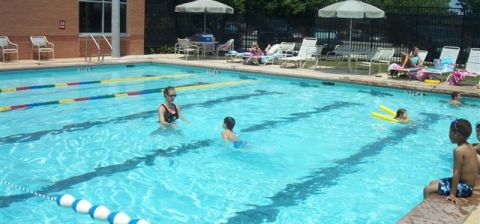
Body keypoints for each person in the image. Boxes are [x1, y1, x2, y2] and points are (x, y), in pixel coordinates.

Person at [423, 119, 478, 204]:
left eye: (450, 132)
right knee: (433, 182)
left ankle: (425, 212)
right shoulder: (469, 146)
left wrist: (453, 194)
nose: (449, 134)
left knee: (427, 189)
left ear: (457, 134)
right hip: (467, 184)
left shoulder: (458, 150)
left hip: (465, 188)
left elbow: (456, 173)